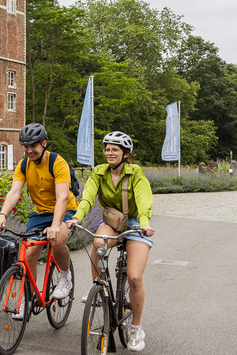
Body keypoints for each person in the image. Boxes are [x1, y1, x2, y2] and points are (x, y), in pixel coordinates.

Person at [66, 131, 155, 352]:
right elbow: (87, 196)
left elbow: (144, 201)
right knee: (98, 242)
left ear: (126, 153)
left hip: (135, 223)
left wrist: (144, 223)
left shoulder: (135, 173)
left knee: (134, 276)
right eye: (107, 149)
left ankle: (135, 328)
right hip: (113, 219)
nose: (109, 152)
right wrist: (77, 216)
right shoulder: (99, 172)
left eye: (115, 149)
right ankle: (99, 287)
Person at [0, 123, 77, 310]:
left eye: (33, 146)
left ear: (44, 143)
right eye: (26, 146)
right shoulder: (23, 165)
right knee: (29, 254)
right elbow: (14, 193)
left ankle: (64, 275)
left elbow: (62, 196)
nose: (29, 150)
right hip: (40, 213)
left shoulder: (57, 162)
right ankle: (28, 297)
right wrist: (2, 215)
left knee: (57, 240)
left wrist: (55, 225)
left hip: (65, 210)